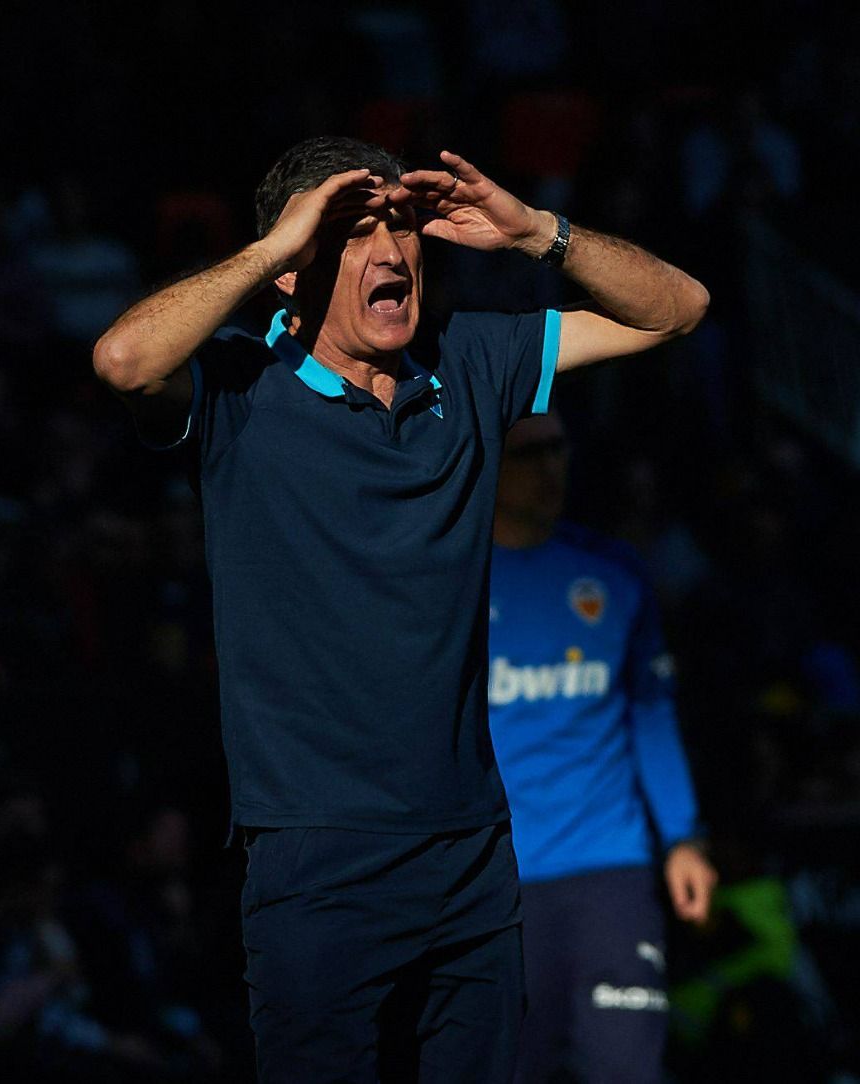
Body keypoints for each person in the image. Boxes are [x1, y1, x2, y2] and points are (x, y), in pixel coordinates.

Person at [91, 136, 709, 1082]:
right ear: (297, 271)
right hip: (316, 859)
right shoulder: (235, 386)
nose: (390, 251)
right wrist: (267, 255)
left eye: (401, 225)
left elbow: (680, 311)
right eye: (350, 234)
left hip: (471, 855)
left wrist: (536, 232)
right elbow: (124, 359)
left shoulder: (472, 360)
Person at [487, 411, 718, 1083]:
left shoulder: (613, 573)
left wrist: (682, 837)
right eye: (529, 455)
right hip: (497, 882)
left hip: (611, 868)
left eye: (559, 449)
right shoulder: (448, 585)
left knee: (628, 1068)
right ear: (488, 467)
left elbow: (650, 713)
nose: (550, 468)